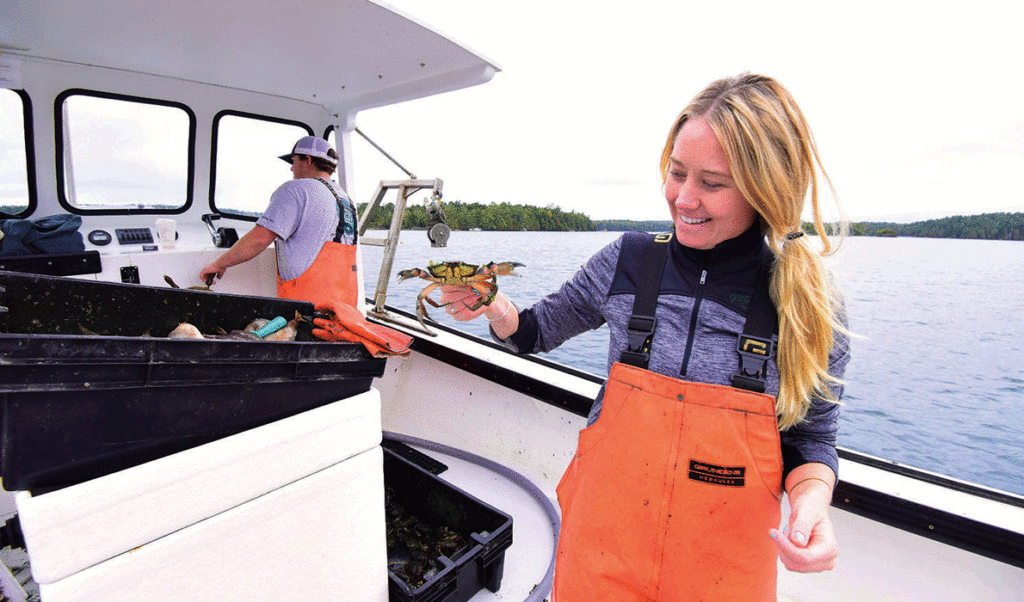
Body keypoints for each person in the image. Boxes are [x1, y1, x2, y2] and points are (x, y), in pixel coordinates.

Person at [440, 73, 850, 601]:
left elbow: (811, 439)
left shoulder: (806, 303)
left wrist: (813, 505)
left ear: (765, 190)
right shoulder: (627, 261)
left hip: (723, 572)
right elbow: (534, 332)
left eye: (713, 183)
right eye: (676, 173)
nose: (683, 198)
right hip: (602, 552)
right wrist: (495, 305)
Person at [200, 136, 359, 307]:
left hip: (308, 306)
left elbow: (259, 239)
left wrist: (219, 264)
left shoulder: (296, 189)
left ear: (308, 160)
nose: (291, 168)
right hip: (344, 306)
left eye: (294, 161)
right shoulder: (346, 200)